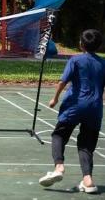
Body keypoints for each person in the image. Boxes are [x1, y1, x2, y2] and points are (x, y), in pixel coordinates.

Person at [38, 29, 105, 194]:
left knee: (59, 135)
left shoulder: (76, 60)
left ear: (81, 44)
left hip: (74, 106)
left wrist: (55, 98)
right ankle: (88, 180)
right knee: (86, 145)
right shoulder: (103, 63)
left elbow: (63, 81)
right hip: (95, 108)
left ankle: (59, 167)